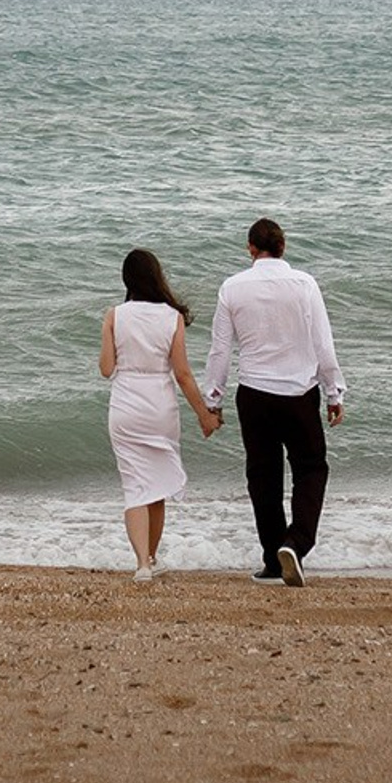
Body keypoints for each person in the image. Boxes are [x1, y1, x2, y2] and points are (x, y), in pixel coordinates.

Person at [201, 216, 345, 586]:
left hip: (255, 394)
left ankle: (272, 559)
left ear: (251, 248)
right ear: (283, 248)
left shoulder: (232, 288)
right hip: (299, 393)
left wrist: (212, 400)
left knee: (262, 477)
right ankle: (295, 544)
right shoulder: (304, 284)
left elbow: (220, 351)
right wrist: (334, 391)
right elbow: (323, 344)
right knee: (311, 469)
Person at [100, 247, 221, 581]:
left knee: (135, 486)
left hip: (126, 405)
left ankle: (141, 564)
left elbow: (106, 369)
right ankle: (151, 559)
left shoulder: (115, 315)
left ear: (127, 279)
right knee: (156, 487)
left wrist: (108, 330)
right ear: (156, 278)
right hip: (160, 406)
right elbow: (182, 374)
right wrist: (204, 414)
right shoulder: (172, 317)